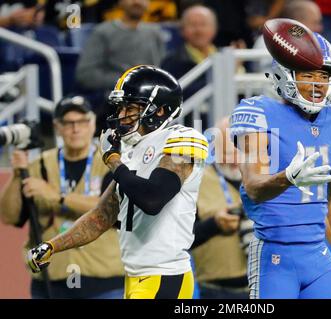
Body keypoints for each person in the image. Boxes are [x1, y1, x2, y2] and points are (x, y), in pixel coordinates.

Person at [27, 65, 209, 299]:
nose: (122, 115)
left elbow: (152, 199)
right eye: (121, 107)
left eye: (131, 108)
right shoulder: (130, 150)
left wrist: (113, 160)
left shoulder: (182, 139)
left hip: (165, 277)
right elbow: (100, 217)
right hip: (135, 277)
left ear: (160, 111)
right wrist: (52, 246)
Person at [229, 27, 331, 299]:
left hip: (317, 256)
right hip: (275, 256)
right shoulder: (258, 112)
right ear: (285, 75)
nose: (319, 84)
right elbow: (254, 188)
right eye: (308, 75)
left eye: (324, 75)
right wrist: (287, 178)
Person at [0, 96, 124, 299]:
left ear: (92, 123)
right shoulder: (39, 165)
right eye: (68, 123)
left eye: (81, 121)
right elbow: (9, 217)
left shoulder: (111, 160)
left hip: (105, 282)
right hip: (50, 281)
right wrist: (17, 174)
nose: (75, 129)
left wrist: (57, 197)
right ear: (57, 127)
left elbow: (113, 209)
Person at [75, 0, 166, 132]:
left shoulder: (155, 33)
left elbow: (163, 70)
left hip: (152, 105)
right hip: (115, 106)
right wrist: (127, 82)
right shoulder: (103, 32)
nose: (137, 2)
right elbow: (85, 74)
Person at [191, 117, 251, 299]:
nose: (234, 157)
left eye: (239, 150)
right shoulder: (196, 181)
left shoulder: (263, 178)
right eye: (227, 151)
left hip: (264, 286)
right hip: (216, 289)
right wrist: (215, 224)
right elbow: (183, 237)